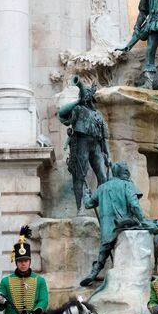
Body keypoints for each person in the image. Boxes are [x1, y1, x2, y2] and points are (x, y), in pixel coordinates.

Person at [80, 162, 147, 286]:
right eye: (126, 171)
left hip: (108, 230)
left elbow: (88, 204)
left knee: (104, 250)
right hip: (125, 225)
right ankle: (144, 271)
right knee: (144, 233)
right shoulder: (127, 184)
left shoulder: (102, 188)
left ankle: (94, 272)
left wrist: (86, 195)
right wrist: (144, 221)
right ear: (124, 172)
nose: (128, 173)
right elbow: (134, 205)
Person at [57, 77, 110, 214]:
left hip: (96, 145)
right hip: (81, 142)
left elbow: (104, 138)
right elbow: (61, 114)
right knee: (79, 174)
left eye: (88, 94)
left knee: (103, 177)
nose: (86, 96)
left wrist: (107, 155)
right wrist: (77, 101)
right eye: (83, 94)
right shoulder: (78, 109)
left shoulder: (98, 114)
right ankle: (80, 207)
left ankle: (102, 206)